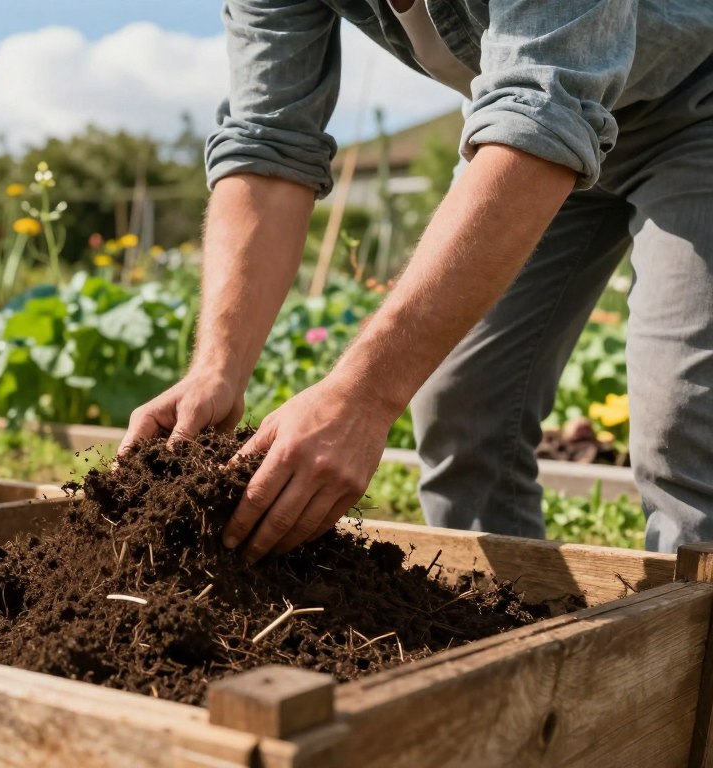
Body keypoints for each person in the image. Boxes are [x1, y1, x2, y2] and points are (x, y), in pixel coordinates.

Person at [121, 0, 713, 557]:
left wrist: (363, 394)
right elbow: (267, 141)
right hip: (534, 126)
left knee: (685, 428)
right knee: (464, 404)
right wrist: (216, 367)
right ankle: (510, 649)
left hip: (690, 110)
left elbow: (546, 106)